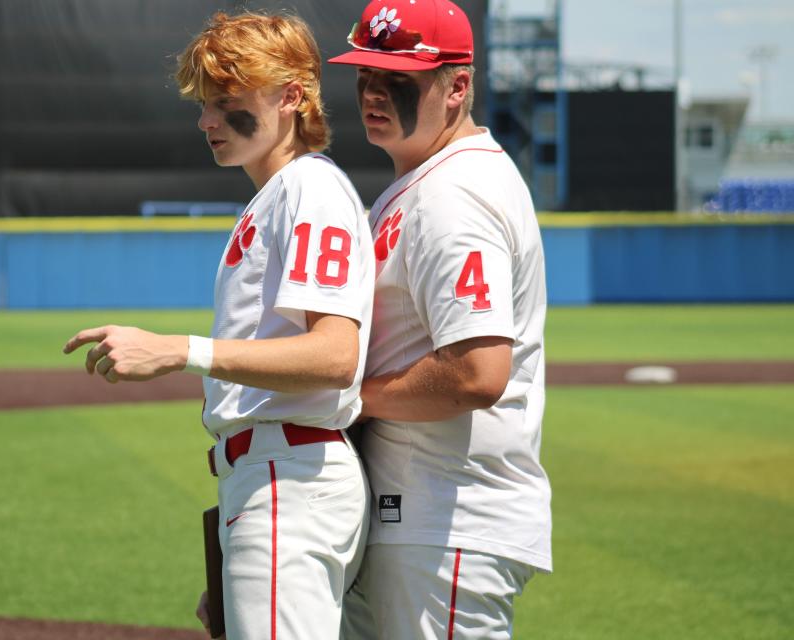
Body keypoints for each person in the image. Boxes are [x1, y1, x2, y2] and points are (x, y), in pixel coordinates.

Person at [63, 11, 375, 640]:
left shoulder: (308, 187)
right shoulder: (279, 194)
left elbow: (336, 354)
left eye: (227, 101)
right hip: (270, 481)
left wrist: (179, 350)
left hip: (289, 475)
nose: (206, 119)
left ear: (292, 97)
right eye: (204, 103)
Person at [328, 1, 552, 638]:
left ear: (457, 86)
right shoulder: (428, 181)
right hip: (418, 516)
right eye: (365, 74)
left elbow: (478, 373)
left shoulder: (454, 196)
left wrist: (347, 399)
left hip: (448, 521)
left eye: (397, 78)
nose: (372, 92)